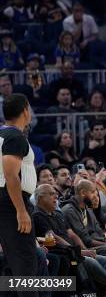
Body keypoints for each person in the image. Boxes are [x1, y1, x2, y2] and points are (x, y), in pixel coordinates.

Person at [0, 94, 38, 296]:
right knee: (25, 264)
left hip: (6, 202)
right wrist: (21, 210)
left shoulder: (3, 135)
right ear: (25, 110)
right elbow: (10, 175)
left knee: (10, 266)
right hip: (12, 203)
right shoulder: (15, 137)